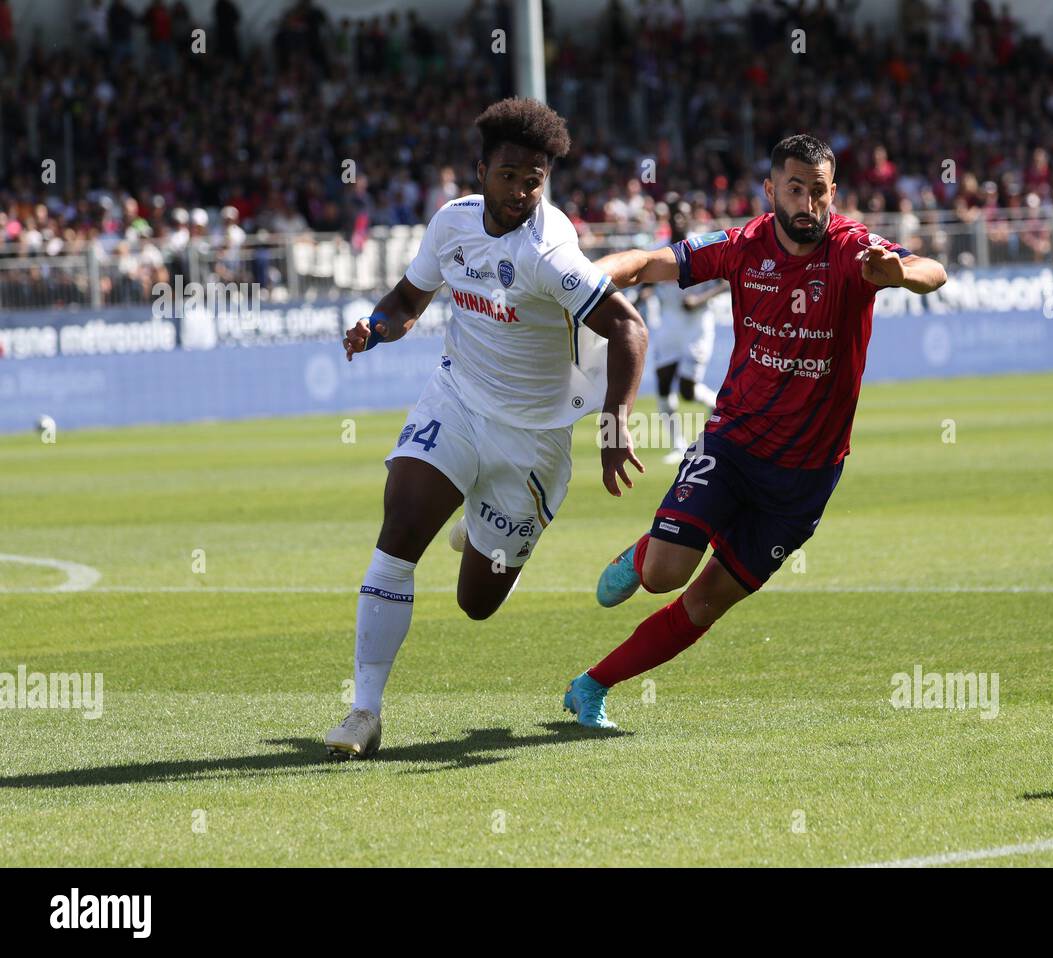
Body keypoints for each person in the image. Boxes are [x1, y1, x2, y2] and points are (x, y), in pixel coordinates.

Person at [562, 134, 946, 728]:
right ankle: (644, 553)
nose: (808, 202)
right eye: (795, 188)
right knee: (665, 575)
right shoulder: (743, 246)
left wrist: (899, 274)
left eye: (819, 191)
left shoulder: (852, 249)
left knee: (705, 603)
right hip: (735, 444)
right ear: (771, 191)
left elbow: (933, 270)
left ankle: (591, 687)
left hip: (805, 483)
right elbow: (647, 263)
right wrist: (585, 278)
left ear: (832, 194)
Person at [324, 99, 648, 757]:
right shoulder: (451, 226)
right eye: (509, 175)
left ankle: (478, 529)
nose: (521, 191)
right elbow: (410, 300)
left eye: (533, 178)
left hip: (532, 441)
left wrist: (614, 421)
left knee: (477, 602)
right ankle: (363, 712)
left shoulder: (549, 253)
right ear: (481, 171)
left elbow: (627, 327)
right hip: (457, 402)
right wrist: (377, 327)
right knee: (400, 527)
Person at [640, 199, 725, 461]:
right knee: (664, 383)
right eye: (674, 215)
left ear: (691, 218)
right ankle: (678, 445)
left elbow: (724, 282)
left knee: (688, 389)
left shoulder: (702, 247)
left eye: (683, 215)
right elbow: (647, 284)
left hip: (697, 324)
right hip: (668, 323)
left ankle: (719, 408)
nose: (678, 220)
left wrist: (699, 299)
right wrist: (642, 293)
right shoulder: (658, 251)